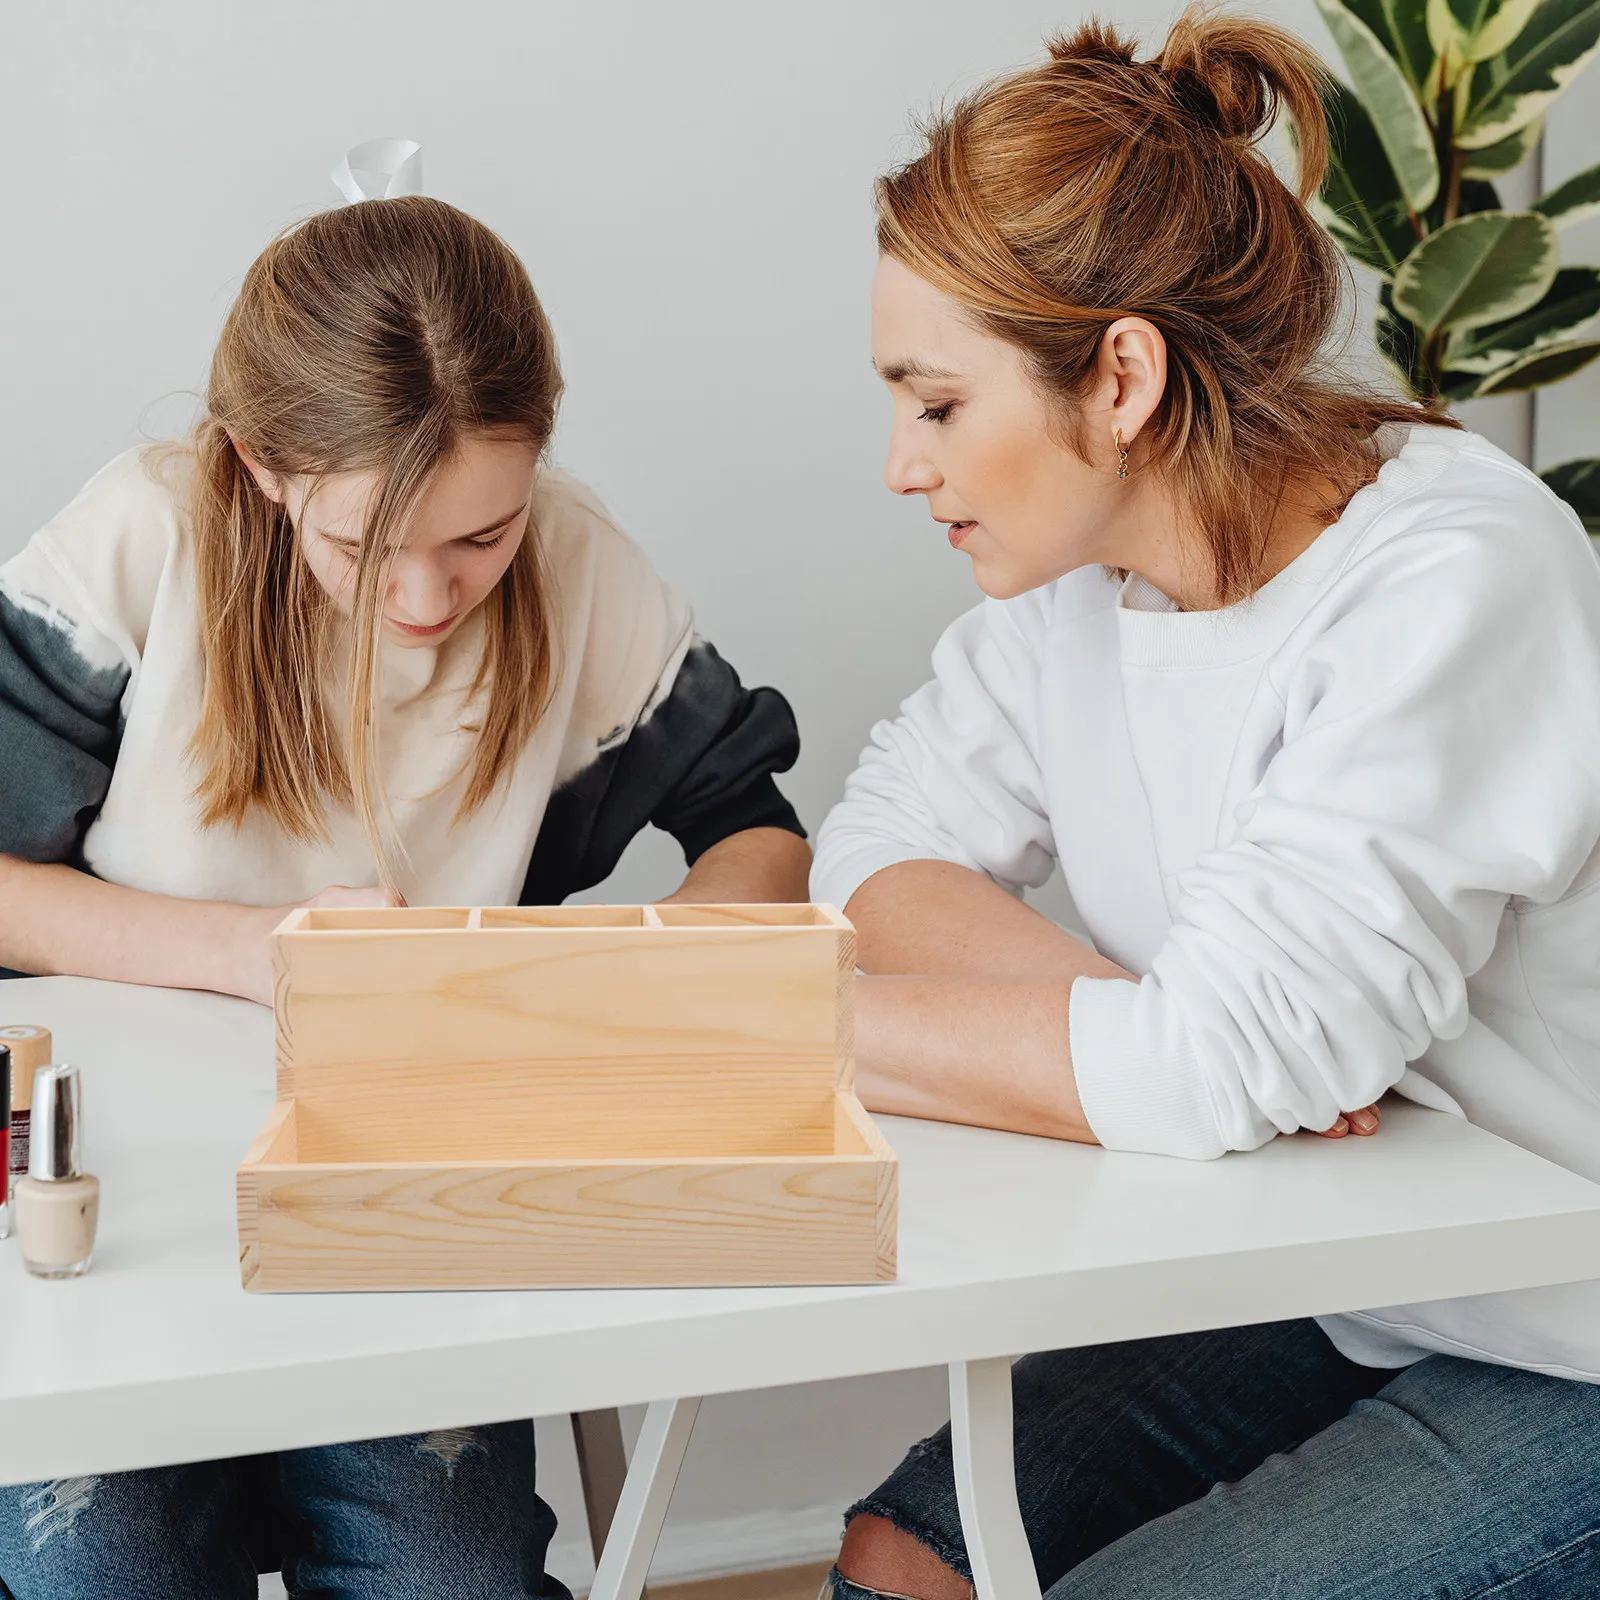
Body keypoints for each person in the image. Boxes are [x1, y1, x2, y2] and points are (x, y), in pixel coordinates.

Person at [812, 9, 1600, 1599]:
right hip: (1349, 1272)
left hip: (1568, 1317)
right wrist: (1154, 1030)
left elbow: (1198, 1070)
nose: (903, 464)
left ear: (1120, 375)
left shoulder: (1451, 581)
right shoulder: (1084, 582)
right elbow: (877, 853)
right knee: (905, 1561)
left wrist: (786, 1030)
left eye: (939, 404)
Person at [0, 193, 808, 1598]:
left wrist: (627, 988)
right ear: (260, 464)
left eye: (479, 541)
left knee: (455, 1577)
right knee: (100, 1573)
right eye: (367, 549)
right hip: (113, 1209)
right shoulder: (146, 537)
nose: (430, 598)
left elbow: (760, 837)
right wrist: (254, 954)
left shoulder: (575, 561)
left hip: (408, 1216)